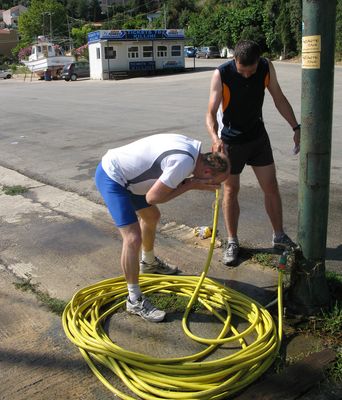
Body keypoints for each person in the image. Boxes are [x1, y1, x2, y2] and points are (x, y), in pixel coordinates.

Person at [95, 133, 229, 322]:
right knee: (132, 238)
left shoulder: (193, 150)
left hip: (129, 178)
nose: (215, 186)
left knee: (152, 216)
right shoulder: (183, 163)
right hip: (113, 177)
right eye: (216, 181)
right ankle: (134, 299)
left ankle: (148, 263)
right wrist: (191, 185)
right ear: (207, 173)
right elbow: (152, 198)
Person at [206, 40, 300, 266]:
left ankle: (279, 236)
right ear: (235, 60)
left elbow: (279, 99)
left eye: (251, 70)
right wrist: (215, 138)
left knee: (271, 187)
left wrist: (296, 127)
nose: (247, 75)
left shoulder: (266, 67)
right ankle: (232, 241)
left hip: (257, 137)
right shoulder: (222, 74)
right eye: (242, 70)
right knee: (231, 190)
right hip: (230, 141)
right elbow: (210, 112)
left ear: (258, 61)